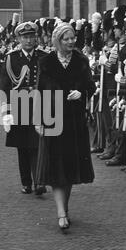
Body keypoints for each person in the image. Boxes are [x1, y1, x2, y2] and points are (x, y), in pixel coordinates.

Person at [35, 23, 96, 229]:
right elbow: (40, 92)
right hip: (53, 119)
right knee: (55, 166)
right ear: (57, 41)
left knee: (69, 168)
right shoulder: (46, 62)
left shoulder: (81, 60)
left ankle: (65, 208)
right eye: (66, 39)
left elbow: (91, 85)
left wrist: (82, 93)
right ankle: (61, 212)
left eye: (72, 38)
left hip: (74, 120)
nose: (71, 42)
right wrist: (39, 119)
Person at [0, 21, 47, 195]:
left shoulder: (44, 56)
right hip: (18, 105)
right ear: (19, 38)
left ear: (36, 38)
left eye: (31, 36)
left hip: (39, 104)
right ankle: (26, 182)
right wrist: (6, 110)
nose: (28, 40)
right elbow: (5, 85)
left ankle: (39, 181)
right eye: (25, 37)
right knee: (22, 147)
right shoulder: (12, 57)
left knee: (37, 144)